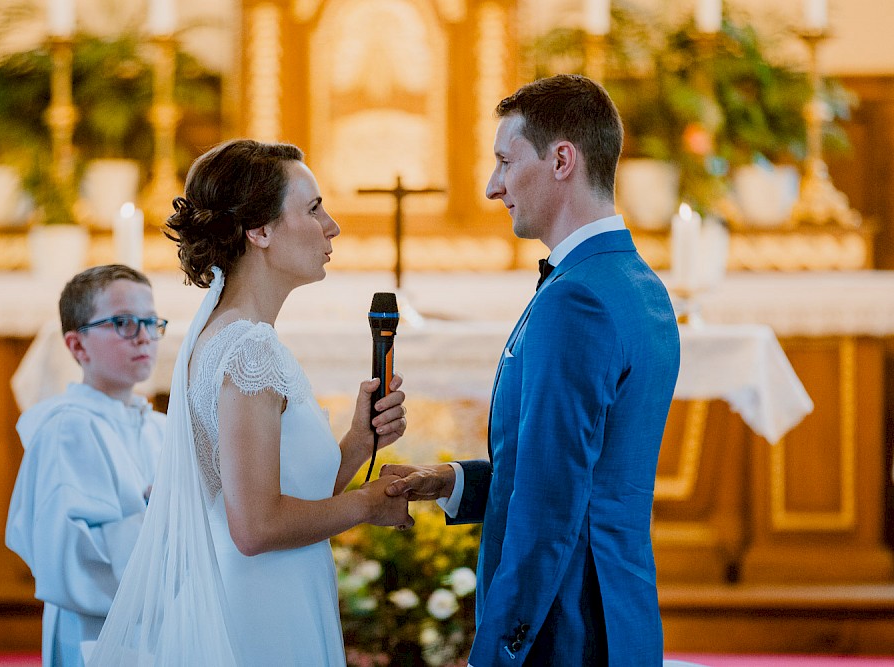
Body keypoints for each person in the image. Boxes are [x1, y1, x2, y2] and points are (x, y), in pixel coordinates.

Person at [383, 74, 681, 666]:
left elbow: (552, 502)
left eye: (504, 161)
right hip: (619, 616)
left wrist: (496, 651)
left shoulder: (577, 300)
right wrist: (455, 482)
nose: (493, 186)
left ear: (562, 160)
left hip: (565, 626)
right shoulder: (636, 282)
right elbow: (584, 471)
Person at [88, 139, 412, 666]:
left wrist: (357, 443)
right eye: (312, 209)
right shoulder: (247, 349)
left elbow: (285, 498)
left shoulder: (236, 336)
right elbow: (256, 527)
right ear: (258, 231)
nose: (332, 227)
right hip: (260, 610)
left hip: (278, 588)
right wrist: (369, 503)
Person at [5, 264, 168, 667]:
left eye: (151, 322)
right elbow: (65, 559)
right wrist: (160, 512)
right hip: (95, 636)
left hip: (162, 626)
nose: (144, 336)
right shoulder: (66, 429)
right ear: (77, 347)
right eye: (124, 323)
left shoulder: (162, 428)